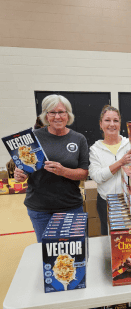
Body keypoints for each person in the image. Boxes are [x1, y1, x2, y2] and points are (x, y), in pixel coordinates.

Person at [14, 94, 89, 242]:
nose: (57, 116)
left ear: (68, 115)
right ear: (46, 116)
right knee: (48, 254)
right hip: (40, 208)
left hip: (70, 206)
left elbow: (84, 173)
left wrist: (63, 171)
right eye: (52, 112)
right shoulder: (33, 137)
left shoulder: (79, 139)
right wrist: (20, 174)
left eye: (61, 112)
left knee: (74, 253)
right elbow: (25, 168)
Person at [89, 105, 131, 235]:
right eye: (107, 120)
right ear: (100, 124)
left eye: (115, 120)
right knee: (109, 236)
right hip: (106, 202)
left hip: (129, 200)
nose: (112, 124)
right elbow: (97, 176)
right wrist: (121, 162)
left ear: (120, 124)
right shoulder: (95, 149)